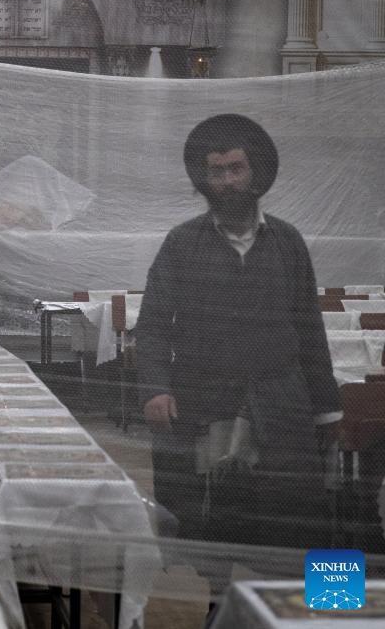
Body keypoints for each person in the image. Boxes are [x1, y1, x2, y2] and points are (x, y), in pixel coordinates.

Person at [135, 114, 339, 549]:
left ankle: (332, 613)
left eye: (236, 169)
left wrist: (327, 410)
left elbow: (309, 327)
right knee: (216, 535)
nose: (226, 181)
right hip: (207, 408)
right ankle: (224, 611)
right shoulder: (181, 244)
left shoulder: (288, 242)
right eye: (216, 171)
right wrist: (155, 388)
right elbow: (152, 325)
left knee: (308, 528)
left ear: (255, 173)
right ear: (203, 179)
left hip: (283, 408)